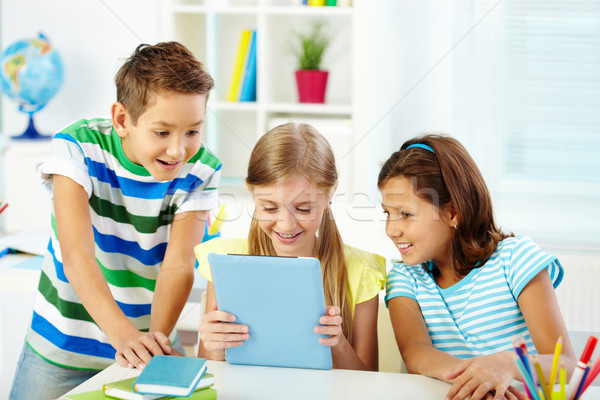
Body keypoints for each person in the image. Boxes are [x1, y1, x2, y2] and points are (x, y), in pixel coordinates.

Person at [9, 42, 221, 400]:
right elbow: (77, 256)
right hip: (62, 349)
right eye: (162, 132)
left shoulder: (202, 168)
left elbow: (179, 265)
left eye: (192, 131)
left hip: (149, 340)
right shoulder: (78, 145)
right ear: (123, 120)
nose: (178, 150)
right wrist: (122, 335)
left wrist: (151, 342)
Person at [380, 134, 575, 400]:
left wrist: (507, 364)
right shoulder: (405, 278)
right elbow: (415, 354)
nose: (391, 229)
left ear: (452, 213)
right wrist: (481, 380)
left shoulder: (516, 259)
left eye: (406, 214)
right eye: (387, 214)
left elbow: (564, 364)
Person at [194, 123, 386, 371]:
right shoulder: (227, 263)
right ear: (252, 193)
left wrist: (337, 345)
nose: (285, 224)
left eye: (304, 208)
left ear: (330, 194)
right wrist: (214, 344)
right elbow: (208, 372)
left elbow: (369, 382)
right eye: (270, 208)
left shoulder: (361, 272)